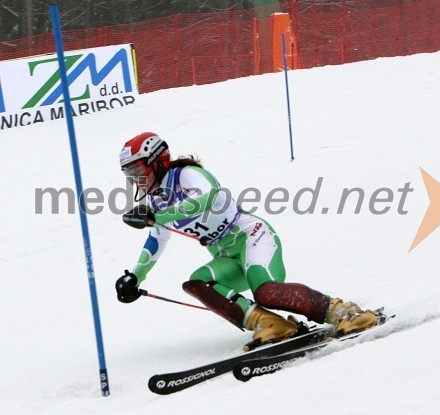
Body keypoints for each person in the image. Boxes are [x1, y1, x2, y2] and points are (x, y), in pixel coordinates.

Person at [116, 132, 380, 346]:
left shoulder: (185, 175)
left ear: (158, 161)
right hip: (225, 255)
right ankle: (271, 324)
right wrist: (136, 277)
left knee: (266, 292)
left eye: (137, 171)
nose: (135, 180)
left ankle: (346, 312)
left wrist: (159, 215)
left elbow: (208, 197)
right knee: (197, 283)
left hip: (252, 237)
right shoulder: (155, 200)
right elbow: (155, 241)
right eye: (129, 175)